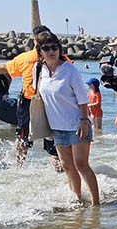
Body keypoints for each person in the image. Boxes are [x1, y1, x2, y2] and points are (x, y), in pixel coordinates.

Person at [34, 32, 99, 206]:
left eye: (54, 47)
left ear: (59, 48)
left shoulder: (70, 70)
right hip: (57, 127)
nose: (51, 51)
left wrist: (85, 121)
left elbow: (83, 100)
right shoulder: (39, 70)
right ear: (40, 51)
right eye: (46, 48)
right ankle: (76, 200)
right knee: (68, 167)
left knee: (81, 165)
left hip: (77, 124)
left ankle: (96, 204)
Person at [0, 25, 60, 165]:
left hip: (30, 101)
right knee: (52, 136)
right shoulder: (58, 56)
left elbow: (5, 67)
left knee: (23, 137)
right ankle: (57, 166)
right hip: (50, 101)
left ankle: (18, 166)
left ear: (34, 40)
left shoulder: (26, 57)